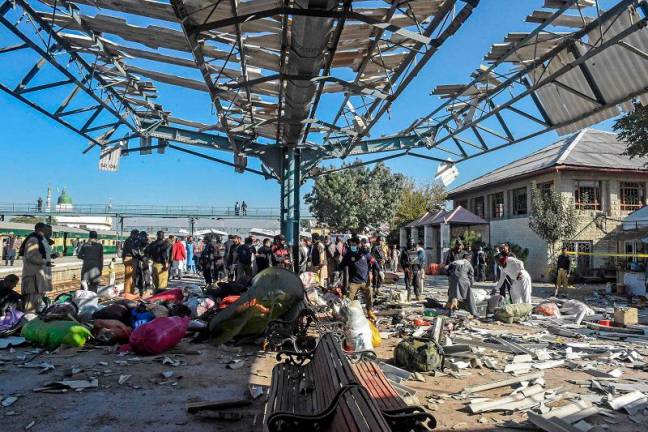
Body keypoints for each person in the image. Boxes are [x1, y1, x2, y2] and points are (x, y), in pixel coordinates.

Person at [18, 223, 55, 312]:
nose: (50, 233)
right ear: (40, 230)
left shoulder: (41, 240)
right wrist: (45, 262)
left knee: (37, 300)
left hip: (39, 275)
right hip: (33, 276)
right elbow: (32, 257)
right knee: (31, 302)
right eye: (47, 230)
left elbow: (41, 255)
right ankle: (27, 321)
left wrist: (51, 256)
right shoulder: (33, 240)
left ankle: (34, 318)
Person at [339, 236, 377, 320]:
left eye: (354, 244)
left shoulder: (365, 253)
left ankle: (369, 311)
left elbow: (373, 261)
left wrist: (379, 270)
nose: (352, 246)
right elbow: (341, 265)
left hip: (365, 281)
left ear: (358, 244)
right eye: (351, 244)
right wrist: (337, 272)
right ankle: (346, 315)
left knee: (369, 296)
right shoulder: (348, 255)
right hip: (353, 282)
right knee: (349, 299)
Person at [446, 251, 478, 316]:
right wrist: (470, 285)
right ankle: (474, 313)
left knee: (452, 296)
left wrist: (450, 279)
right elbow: (471, 275)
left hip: (452, 279)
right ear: (468, 258)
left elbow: (447, 269)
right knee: (469, 297)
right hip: (463, 280)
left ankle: (450, 312)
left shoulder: (455, 262)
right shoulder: (468, 263)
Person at [122, 229, 140, 294]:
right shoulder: (130, 241)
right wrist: (139, 256)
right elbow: (133, 251)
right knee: (129, 277)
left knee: (131, 277)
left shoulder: (128, 240)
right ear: (133, 234)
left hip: (128, 259)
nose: (137, 236)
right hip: (130, 259)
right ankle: (128, 292)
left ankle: (131, 291)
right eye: (137, 235)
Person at [133, 231, 151, 296]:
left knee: (146, 275)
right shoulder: (137, 243)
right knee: (139, 276)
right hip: (140, 261)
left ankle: (146, 289)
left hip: (145, 261)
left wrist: (146, 257)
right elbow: (135, 252)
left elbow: (149, 252)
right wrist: (141, 257)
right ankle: (139, 290)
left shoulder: (147, 244)